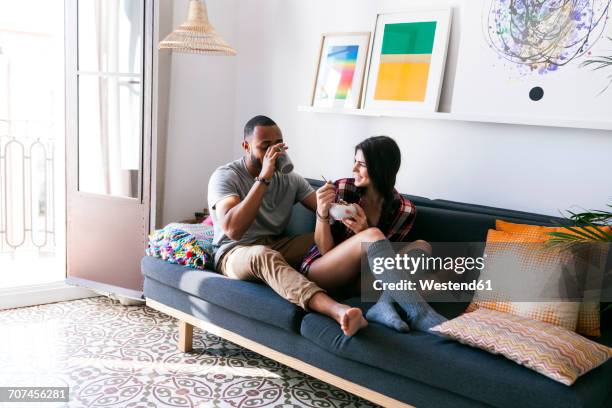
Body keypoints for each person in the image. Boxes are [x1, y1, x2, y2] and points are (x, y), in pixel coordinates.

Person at [208, 115, 367, 337]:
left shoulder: (290, 179)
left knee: (324, 239)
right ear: (246, 146)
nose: (275, 152)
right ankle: (338, 310)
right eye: (266, 146)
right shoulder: (226, 176)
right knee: (262, 255)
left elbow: (326, 211)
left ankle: (369, 288)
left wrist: (344, 209)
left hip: (275, 244)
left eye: (279, 144)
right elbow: (233, 230)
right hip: (233, 253)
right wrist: (263, 177)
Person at [300, 136, 446, 333]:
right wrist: (322, 212)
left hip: (363, 280)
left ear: (380, 168)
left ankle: (384, 305)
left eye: (361, 164)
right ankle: (419, 312)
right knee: (374, 235)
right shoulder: (342, 189)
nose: (354, 169)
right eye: (355, 162)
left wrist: (363, 232)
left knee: (422, 247)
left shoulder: (404, 210)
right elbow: (325, 250)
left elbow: (384, 268)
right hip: (323, 271)